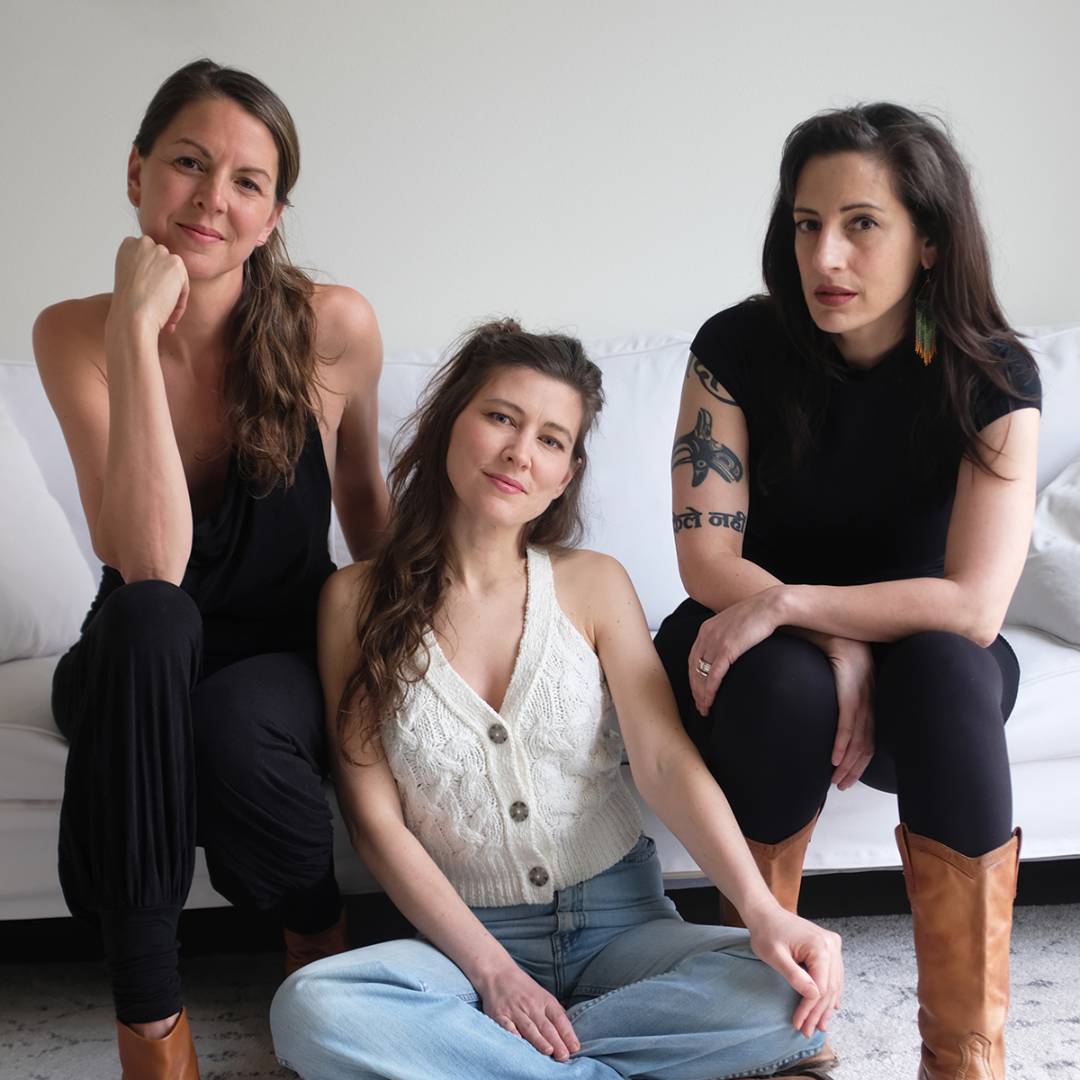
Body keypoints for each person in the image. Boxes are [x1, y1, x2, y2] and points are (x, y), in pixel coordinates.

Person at [270, 320, 843, 1080]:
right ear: (450, 423)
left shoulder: (594, 582)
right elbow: (374, 822)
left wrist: (765, 913)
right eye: (500, 417)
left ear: (566, 474)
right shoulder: (353, 601)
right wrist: (492, 973)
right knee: (310, 1007)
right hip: (463, 945)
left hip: (622, 927)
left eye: (550, 439)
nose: (519, 452)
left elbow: (665, 763)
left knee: (791, 992)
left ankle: (501, 1064)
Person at [653, 103, 1041, 1080]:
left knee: (951, 671)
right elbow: (708, 563)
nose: (825, 255)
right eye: (806, 223)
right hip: (756, 660)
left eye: (862, 224)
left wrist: (800, 606)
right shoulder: (737, 347)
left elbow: (973, 607)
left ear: (929, 241)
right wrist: (824, 640)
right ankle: (765, 1030)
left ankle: (965, 1057)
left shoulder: (991, 374)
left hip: (912, 662)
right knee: (782, 680)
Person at [33, 59, 387, 1077]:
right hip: (136, 655)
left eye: (247, 182)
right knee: (154, 617)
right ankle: (152, 1028)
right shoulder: (74, 331)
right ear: (137, 172)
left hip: (282, 649)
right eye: (188, 163)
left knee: (230, 723)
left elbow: (366, 508)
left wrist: (422, 648)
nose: (211, 199)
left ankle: (313, 927)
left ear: (272, 216)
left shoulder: (333, 326)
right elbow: (147, 563)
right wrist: (136, 328)